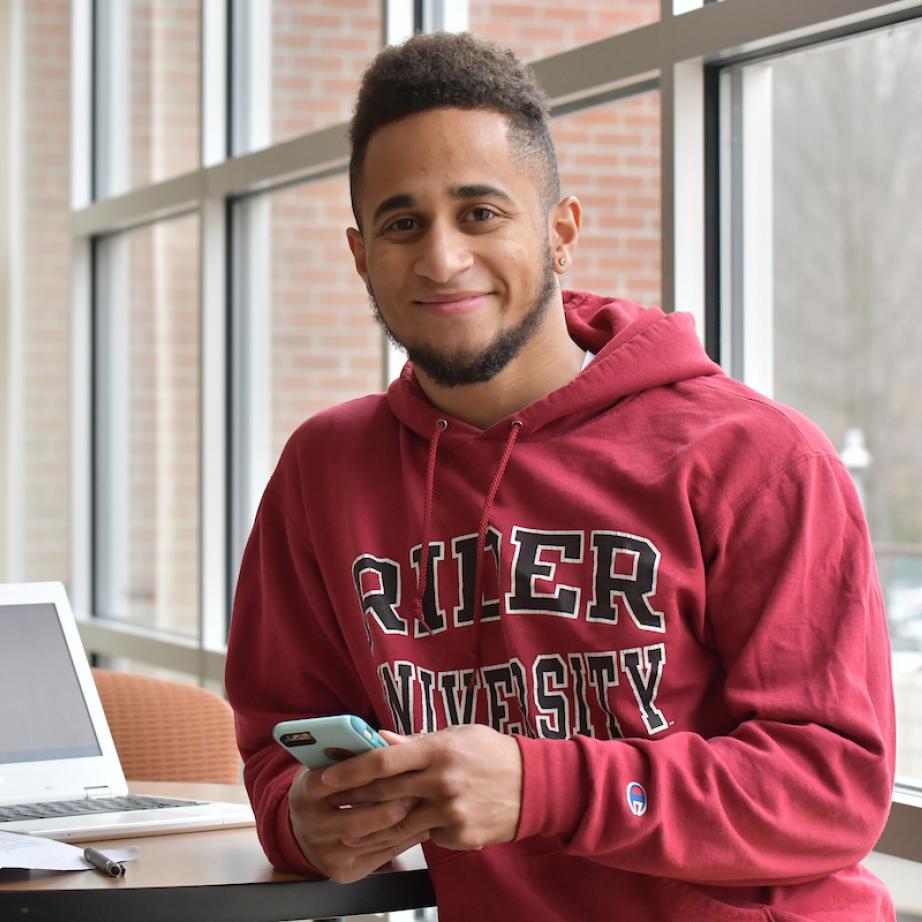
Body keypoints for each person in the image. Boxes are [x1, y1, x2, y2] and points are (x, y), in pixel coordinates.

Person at [225, 31, 895, 921]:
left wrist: (546, 787)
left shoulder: (755, 459)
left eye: (480, 213)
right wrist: (303, 824)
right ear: (360, 257)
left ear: (561, 231)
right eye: (402, 223)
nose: (440, 258)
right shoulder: (324, 470)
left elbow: (831, 789)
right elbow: (279, 739)